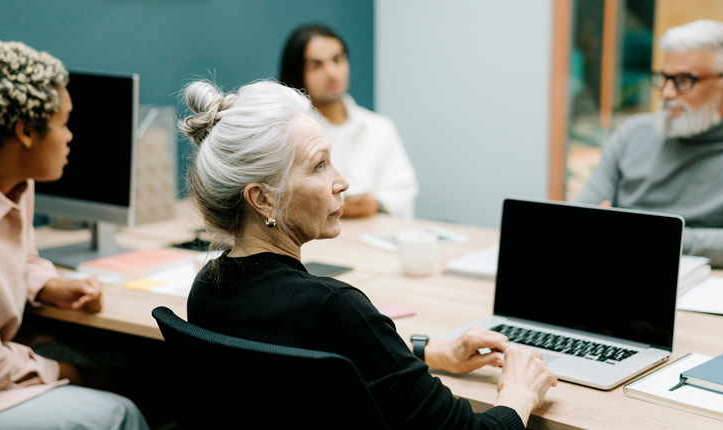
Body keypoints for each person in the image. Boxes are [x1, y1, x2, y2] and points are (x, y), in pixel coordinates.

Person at [182, 80, 557, 429]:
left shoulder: (207, 290)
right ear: (263, 199)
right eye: (319, 165)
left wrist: (428, 352)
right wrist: (518, 393)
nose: (342, 181)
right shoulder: (334, 309)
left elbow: (308, 361)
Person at [0, 41, 149, 429]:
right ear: (26, 131)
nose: (70, 136)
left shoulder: (10, 179)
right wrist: (76, 374)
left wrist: (49, 285)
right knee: (120, 412)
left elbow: (20, 258)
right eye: (65, 122)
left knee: (130, 366)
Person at [574, 20, 723, 268]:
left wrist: (646, 235)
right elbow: (580, 217)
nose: (667, 93)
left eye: (684, 80)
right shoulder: (632, 133)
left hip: (701, 289)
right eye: (664, 78)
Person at [280, 23, 419, 219]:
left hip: (370, 238)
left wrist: (375, 205)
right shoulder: (288, 132)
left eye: (337, 60)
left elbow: (403, 192)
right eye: (316, 65)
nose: (331, 72)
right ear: (298, 73)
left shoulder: (379, 127)